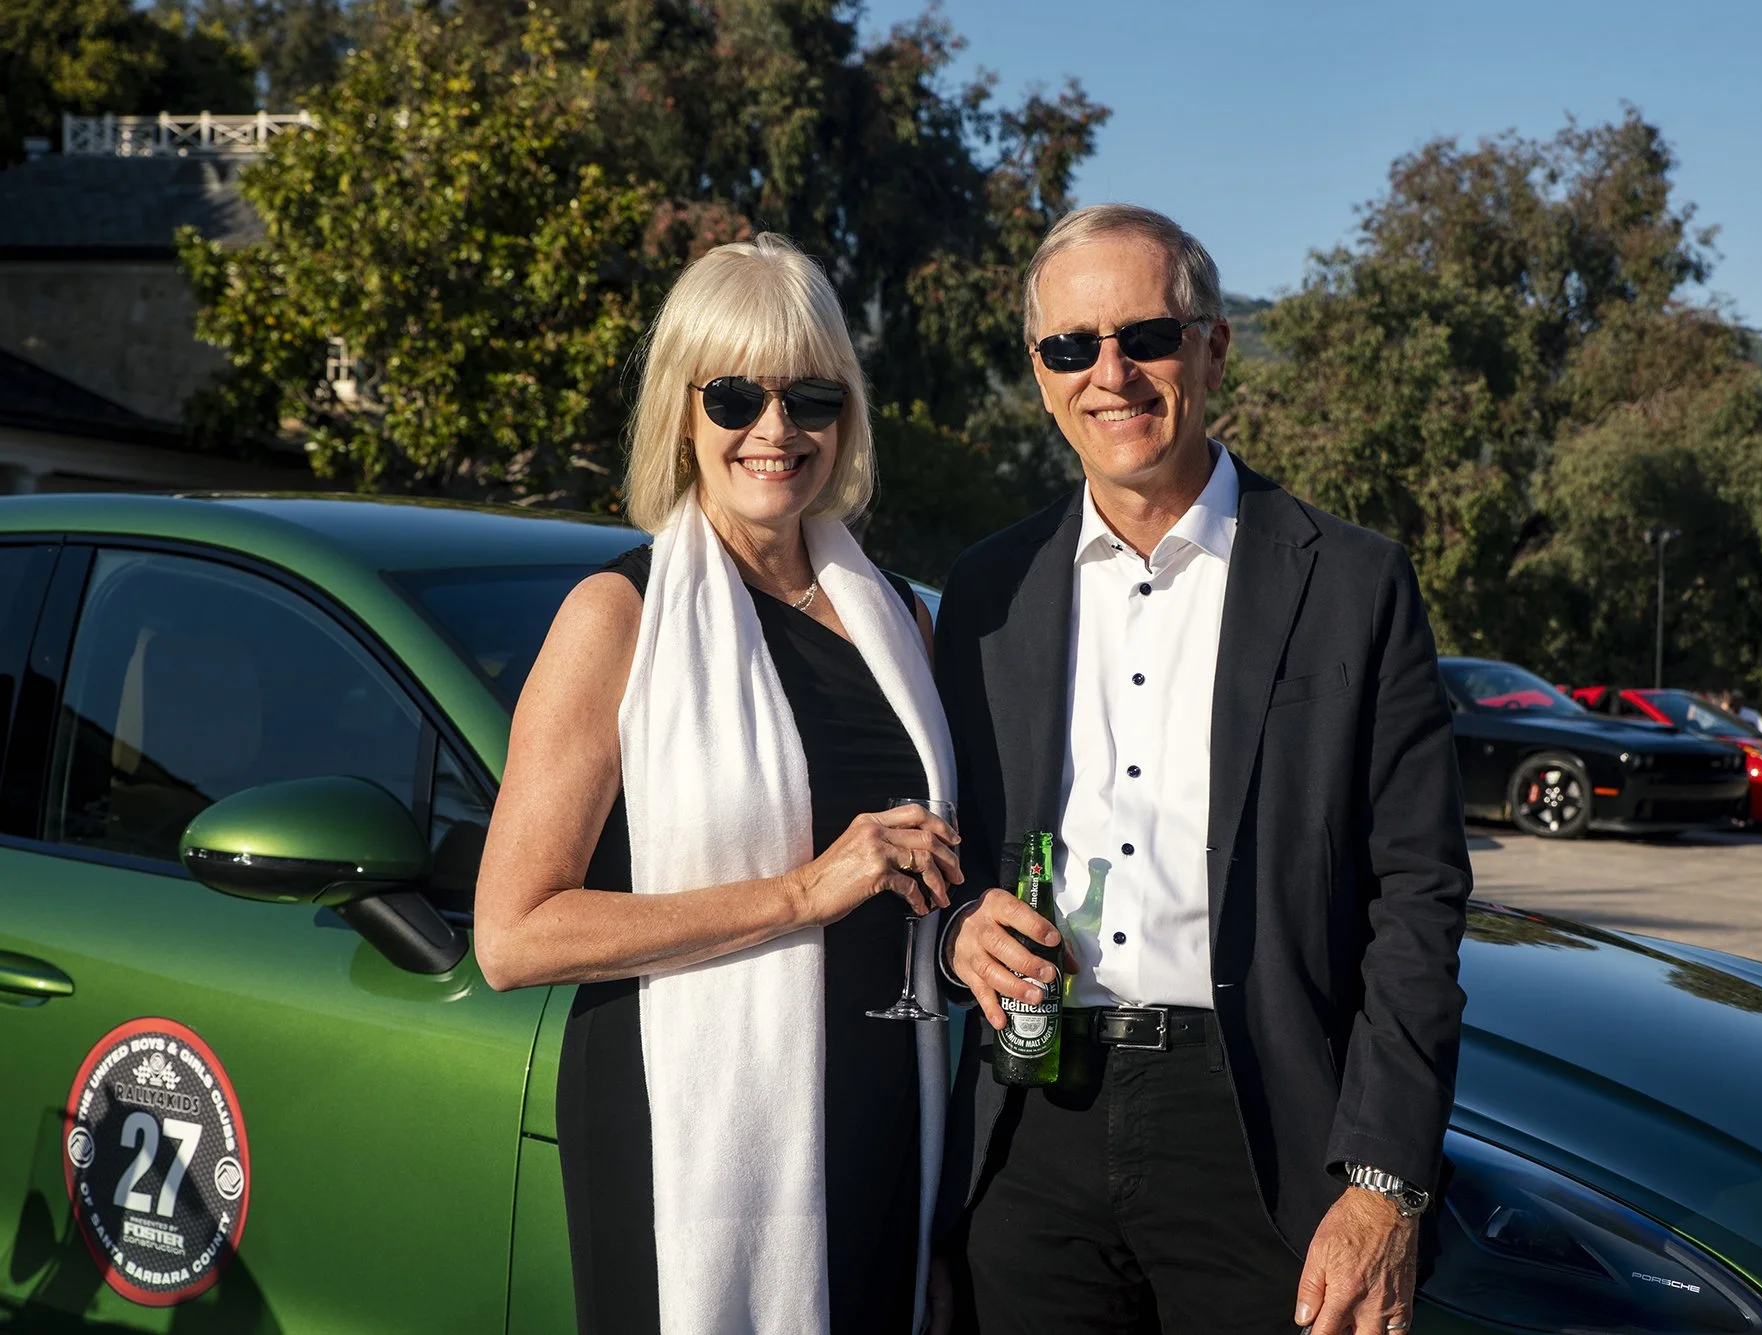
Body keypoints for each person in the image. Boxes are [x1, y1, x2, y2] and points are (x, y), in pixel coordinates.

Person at [931, 205, 1473, 1335]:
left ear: (1213, 348)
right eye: (1070, 348)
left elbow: (1416, 902)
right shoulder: (985, 592)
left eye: (1147, 337)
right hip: (1030, 1126)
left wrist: (1382, 1187)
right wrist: (954, 933)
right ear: (1039, 376)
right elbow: (951, 849)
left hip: (1261, 1132)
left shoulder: (1353, 584)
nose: (1110, 375)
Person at [473, 233, 961, 1335]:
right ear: (681, 411)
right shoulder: (617, 619)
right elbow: (512, 936)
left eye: (812, 398)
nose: (775, 432)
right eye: (735, 396)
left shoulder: (904, 619)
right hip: (686, 1134)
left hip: (888, 1119)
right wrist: (801, 893)